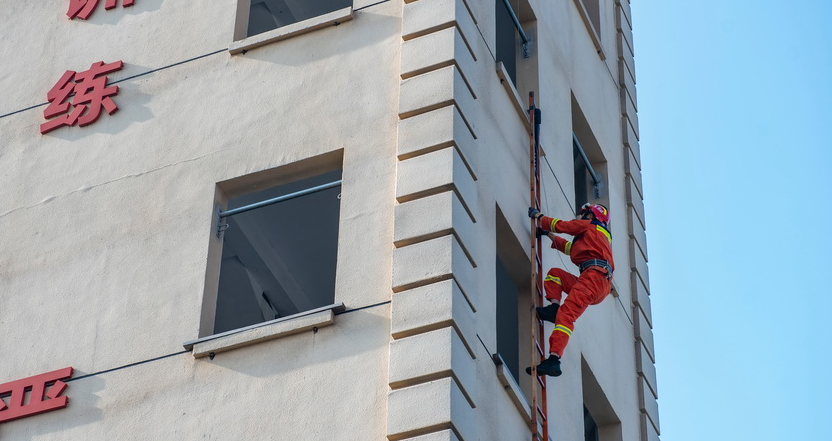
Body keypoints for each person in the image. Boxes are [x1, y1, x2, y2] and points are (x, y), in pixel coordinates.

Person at [526, 203, 614, 377]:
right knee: (555, 274)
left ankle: (554, 360)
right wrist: (549, 235)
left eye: (584, 214)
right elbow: (571, 249)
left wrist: (539, 218)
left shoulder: (590, 226)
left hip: (593, 277)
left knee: (566, 316)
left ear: (591, 216)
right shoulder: (596, 235)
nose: (581, 217)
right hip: (596, 280)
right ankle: (553, 309)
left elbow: (563, 226)